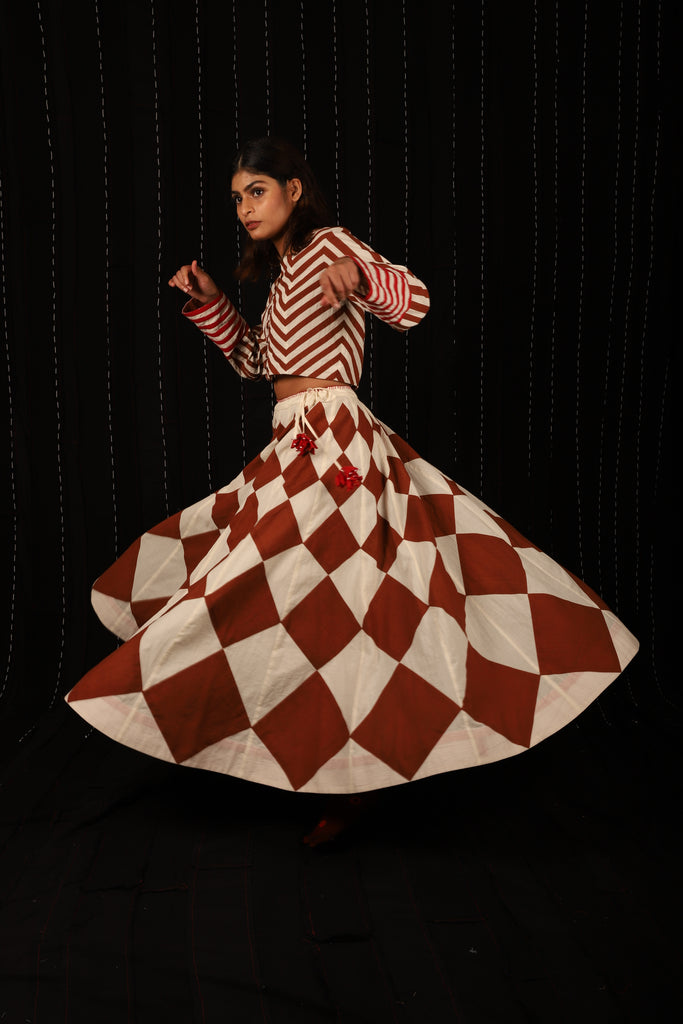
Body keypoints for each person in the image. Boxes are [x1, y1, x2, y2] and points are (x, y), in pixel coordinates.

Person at [66, 137, 638, 844]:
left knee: (341, 601)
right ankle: (333, 769)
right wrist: (212, 305)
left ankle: (351, 777)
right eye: (237, 198)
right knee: (301, 598)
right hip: (293, 438)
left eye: (257, 191)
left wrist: (361, 275)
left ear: (294, 190)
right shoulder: (283, 273)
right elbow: (259, 363)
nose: (245, 208)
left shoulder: (330, 243)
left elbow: (413, 302)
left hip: (333, 441)